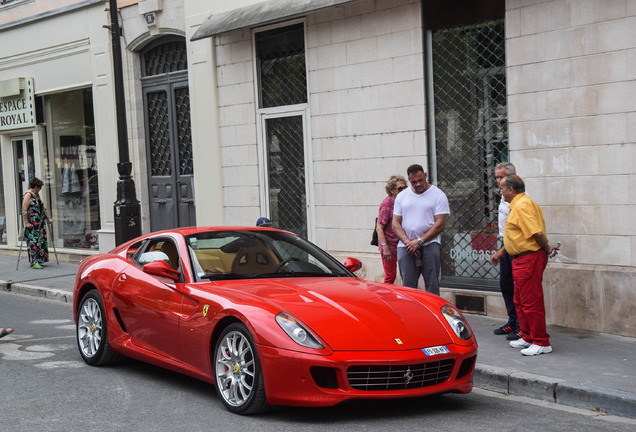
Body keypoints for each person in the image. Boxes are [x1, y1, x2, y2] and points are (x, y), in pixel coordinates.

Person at [489, 175, 559, 356]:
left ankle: (541, 341)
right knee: (520, 300)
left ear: (511, 189)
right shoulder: (519, 204)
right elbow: (518, 235)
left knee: (530, 302)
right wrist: (502, 252)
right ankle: (528, 336)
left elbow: (536, 232)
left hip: (528, 259)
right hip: (520, 259)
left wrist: (547, 248)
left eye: (502, 188)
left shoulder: (522, 205)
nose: (501, 192)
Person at [392, 164, 450, 295]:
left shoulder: (438, 195)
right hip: (406, 246)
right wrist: (408, 243)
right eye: (413, 182)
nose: (418, 184)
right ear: (409, 180)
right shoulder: (402, 196)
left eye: (420, 180)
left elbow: (440, 224)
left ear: (425, 175)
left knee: (432, 285)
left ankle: (433, 313)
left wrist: (419, 241)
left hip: (430, 244)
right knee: (407, 287)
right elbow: (395, 223)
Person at [493, 162, 521, 341]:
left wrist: (502, 251)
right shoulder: (504, 197)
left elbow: (515, 230)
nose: (498, 181)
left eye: (501, 177)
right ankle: (512, 321)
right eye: (496, 177)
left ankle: (520, 326)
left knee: (517, 288)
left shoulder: (517, 199)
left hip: (513, 246)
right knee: (506, 285)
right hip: (505, 244)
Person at [376, 175, 407, 284]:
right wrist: (385, 248)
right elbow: (379, 227)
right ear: (392, 190)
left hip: (403, 243)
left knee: (407, 274)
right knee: (390, 275)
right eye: (400, 188)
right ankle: (385, 297)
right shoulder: (386, 204)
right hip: (390, 245)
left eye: (405, 188)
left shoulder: (405, 201)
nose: (403, 190)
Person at [22, 177, 52, 270]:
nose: (40, 189)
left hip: (40, 223)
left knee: (40, 241)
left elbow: (42, 208)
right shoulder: (28, 195)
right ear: (35, 187)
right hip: (32, 224)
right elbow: (24, 209)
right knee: (33, 242)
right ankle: (34, 262)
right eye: (39, 187)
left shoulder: (36, 195)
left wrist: (48, 217)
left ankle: (38, 260)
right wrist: (26, 222)